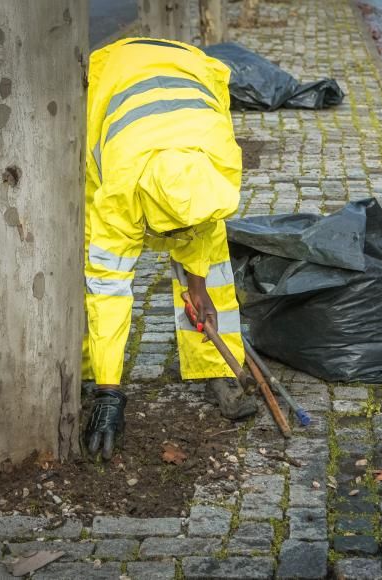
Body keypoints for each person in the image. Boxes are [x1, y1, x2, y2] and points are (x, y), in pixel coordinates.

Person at [81, 37, 256, 460]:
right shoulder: (118, 193)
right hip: (116, 74)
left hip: (192, 69)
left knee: (212, 267)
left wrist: (199, 290)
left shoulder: (220, 164)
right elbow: (110, 288)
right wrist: (109, 392)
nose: (182, 237)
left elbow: (203, 230)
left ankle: (217, 366)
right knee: (92, 261)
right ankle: (92, 371)